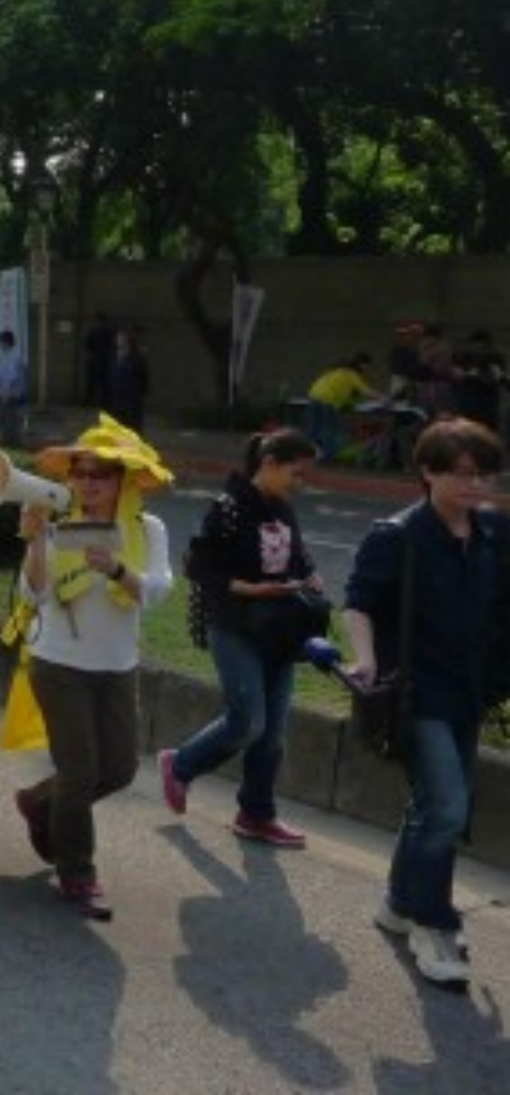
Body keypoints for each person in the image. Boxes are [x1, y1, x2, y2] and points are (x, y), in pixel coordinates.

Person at [342, 418, 507, 990]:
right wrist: (365, 659)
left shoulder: (493, 533)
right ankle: (433, 924)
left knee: (431, 806)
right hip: (417, 693)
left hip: (471, 691)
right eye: (462, 473)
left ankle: (396, 901)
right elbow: (358, 603)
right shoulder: (398, 536)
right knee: (446, 810)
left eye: (484, 472)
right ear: (428, 471)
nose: (475, 483)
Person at [11, 416, 173, 920]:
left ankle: (40, 802)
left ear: (123, 480)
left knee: (120, 769)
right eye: (79, 472)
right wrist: (36, 541)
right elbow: (32, 593)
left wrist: (119, 569)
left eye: (100, 473)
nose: (87, 482)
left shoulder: (147, 530)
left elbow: (159, 590)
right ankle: (77, 873)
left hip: (117, 666)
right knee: (79, 772)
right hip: (59, 664)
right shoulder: (55, 522)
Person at [158, 429, 323, 848]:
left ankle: (256, 814)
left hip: (279, 630)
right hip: (234, 626)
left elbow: (298, 557)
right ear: (268, 464)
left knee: (272, 733)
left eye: (306, 476)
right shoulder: (228, 508)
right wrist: (250, 590)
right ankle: (180, 764)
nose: (300, 484)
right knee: (248, 719)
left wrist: (309, 577)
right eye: (295, 474)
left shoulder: (284, 509)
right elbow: (198, 565)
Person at [306, 352, 380, 458]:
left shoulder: (337, 370)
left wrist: (349, 402)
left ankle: (306, 456)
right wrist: (383, 397)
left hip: (314, 395)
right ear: (363, 364)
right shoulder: (351, 374)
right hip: (328, 399)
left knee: (313, 429)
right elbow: (365, 390)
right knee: (330, 430)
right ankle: (328, 456)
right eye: (367, 366)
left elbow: (343, 391)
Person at [0, 330, 30, 448]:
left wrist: (7, 393)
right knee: (6, 418)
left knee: (14, 418)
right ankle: (7, 440)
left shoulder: (15, 356)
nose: (0, 345)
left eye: (1, 342)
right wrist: (0, 390)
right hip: (6, 392)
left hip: (14, 393)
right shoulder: (4, 355)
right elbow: (0, 374)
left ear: (7, 342)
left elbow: (13, 377)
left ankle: (15, 442)